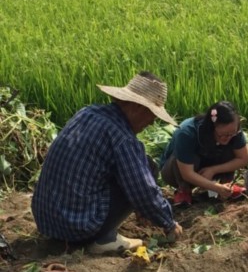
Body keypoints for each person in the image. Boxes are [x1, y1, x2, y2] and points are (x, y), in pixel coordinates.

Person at [31, 72, 183, 254]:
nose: (151, 123)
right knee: (146, 168)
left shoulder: (86, 113)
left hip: (46, 220)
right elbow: (143, 190)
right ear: (138, 108)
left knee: (139, 164)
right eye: (152, 115)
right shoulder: (122, 138)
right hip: (77, 228)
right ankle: (102, 239)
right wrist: (168, 223)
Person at [160, 101, 248, 206]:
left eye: (232, 133)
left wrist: (213, 170)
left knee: (229, 149)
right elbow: (187, 173)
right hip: (177, 171)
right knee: (190, 157)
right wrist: (215, 187)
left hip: (209, 166)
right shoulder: (187, 132)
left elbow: (244, 159)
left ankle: (226, 187)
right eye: (223, 134)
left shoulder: (234, 131)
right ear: (211, 127)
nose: (228, 137)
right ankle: (183, 190)